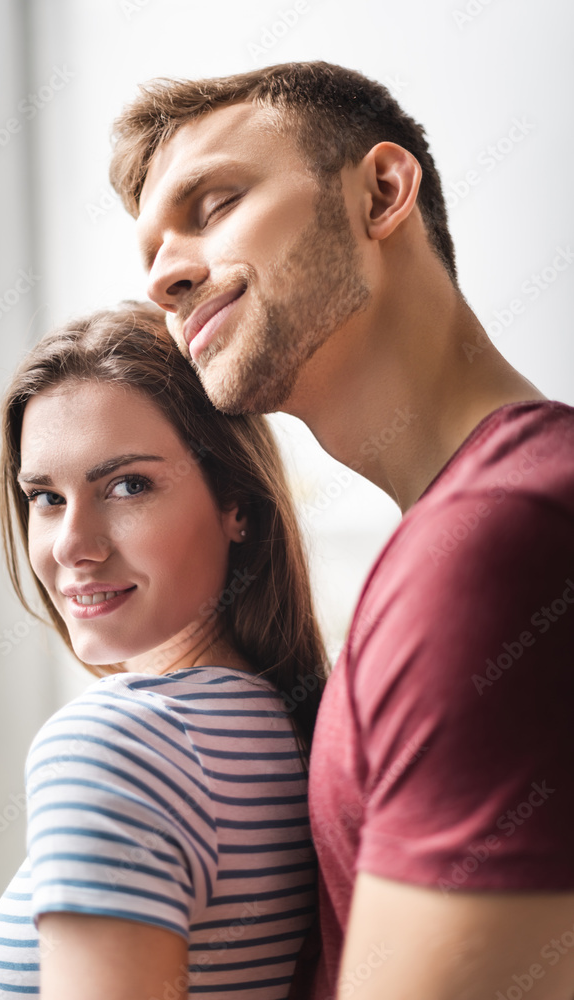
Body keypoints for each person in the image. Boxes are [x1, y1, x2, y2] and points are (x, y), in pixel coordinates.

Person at [109, 62, 574, 1000]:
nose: (165, 277)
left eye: (214, 203)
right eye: (152, 253)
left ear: (382, 192)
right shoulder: (472, 527)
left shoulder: (499, 542)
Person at [0, 301, 327, 1000]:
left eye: (127, 485)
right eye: (45, 497)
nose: (73, 545)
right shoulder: (296, 724)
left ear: (236, 503)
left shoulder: (110, 745)